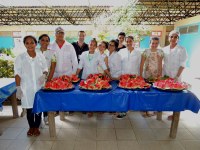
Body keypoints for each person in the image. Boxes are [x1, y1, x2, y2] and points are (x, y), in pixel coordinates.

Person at [14, 35, 48, 136]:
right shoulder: (20, 58)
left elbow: (45, 68)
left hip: (39, 87)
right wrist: (18, 88)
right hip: (26, 88)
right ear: (24, 44)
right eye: (27, 43)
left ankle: (36, 127)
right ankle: (31, 127)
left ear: (35, 44)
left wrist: (44, 75)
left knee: (38, 108)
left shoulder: (40, 56)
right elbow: (17, 73)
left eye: (32, 42)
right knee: (29, 109)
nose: (30, 45)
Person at [76, 38, 111, 117]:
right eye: (91, 44)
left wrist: (109, 75)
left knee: (93, 94)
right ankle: (88, 109)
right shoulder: (84, 54)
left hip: (94, 78)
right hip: (85, 77)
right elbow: (80, 66)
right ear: (88, 45)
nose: (92, 46)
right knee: (86, 94)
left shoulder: (98, 55)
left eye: (94, 45)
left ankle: (93, 109)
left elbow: (103, 65)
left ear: (96, 47)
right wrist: (75, 75)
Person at [163, 30, 187, 120]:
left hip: (176, 75)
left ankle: (175, 114)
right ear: (169, 38)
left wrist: (177, 76)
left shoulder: (182, 49)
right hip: (165, 75)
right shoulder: (164, 49)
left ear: (178, 39)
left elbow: (183, 64)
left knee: (176, 95)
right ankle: (163, 109)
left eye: (175, 37)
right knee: (166, 93)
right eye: (171, 36)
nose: (173, 38)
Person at [117, 35, 141, 119]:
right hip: (123, 76)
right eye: (127, 41)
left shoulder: (138, 52)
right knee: (123, 94)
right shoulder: (121, 52)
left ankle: (130, 108)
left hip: (134, 76)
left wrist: (139, 76)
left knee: (132, 94)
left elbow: (140, 65)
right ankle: (123, 110)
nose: (128, 43)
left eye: (130, 41)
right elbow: (118, 64)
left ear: (133, 42)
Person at [140, 37, 164, 117]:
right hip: (147, 75)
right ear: (150, 43)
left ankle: (152, 108)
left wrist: (160, 75)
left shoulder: (160, 52)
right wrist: (140, 75)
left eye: (156, 43)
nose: (154, 45)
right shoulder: (145, 51)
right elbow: (141, 64)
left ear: (158, 44)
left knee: (155, 93)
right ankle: (145, 109)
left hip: (156, 76)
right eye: (153, 43)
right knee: (146, 92)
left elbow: (160, 65)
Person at [37, 34, 56, 125]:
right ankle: (38, 119)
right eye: (43, 40)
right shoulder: (34, 51)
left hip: (47, 79)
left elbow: (53, 68)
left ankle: (45, 116)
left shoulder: (52, 53)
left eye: (47, 40)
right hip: (35, 80)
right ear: (39, 41)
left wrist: (48, 80)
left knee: (45, 99)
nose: (45, 42)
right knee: (37, 98)